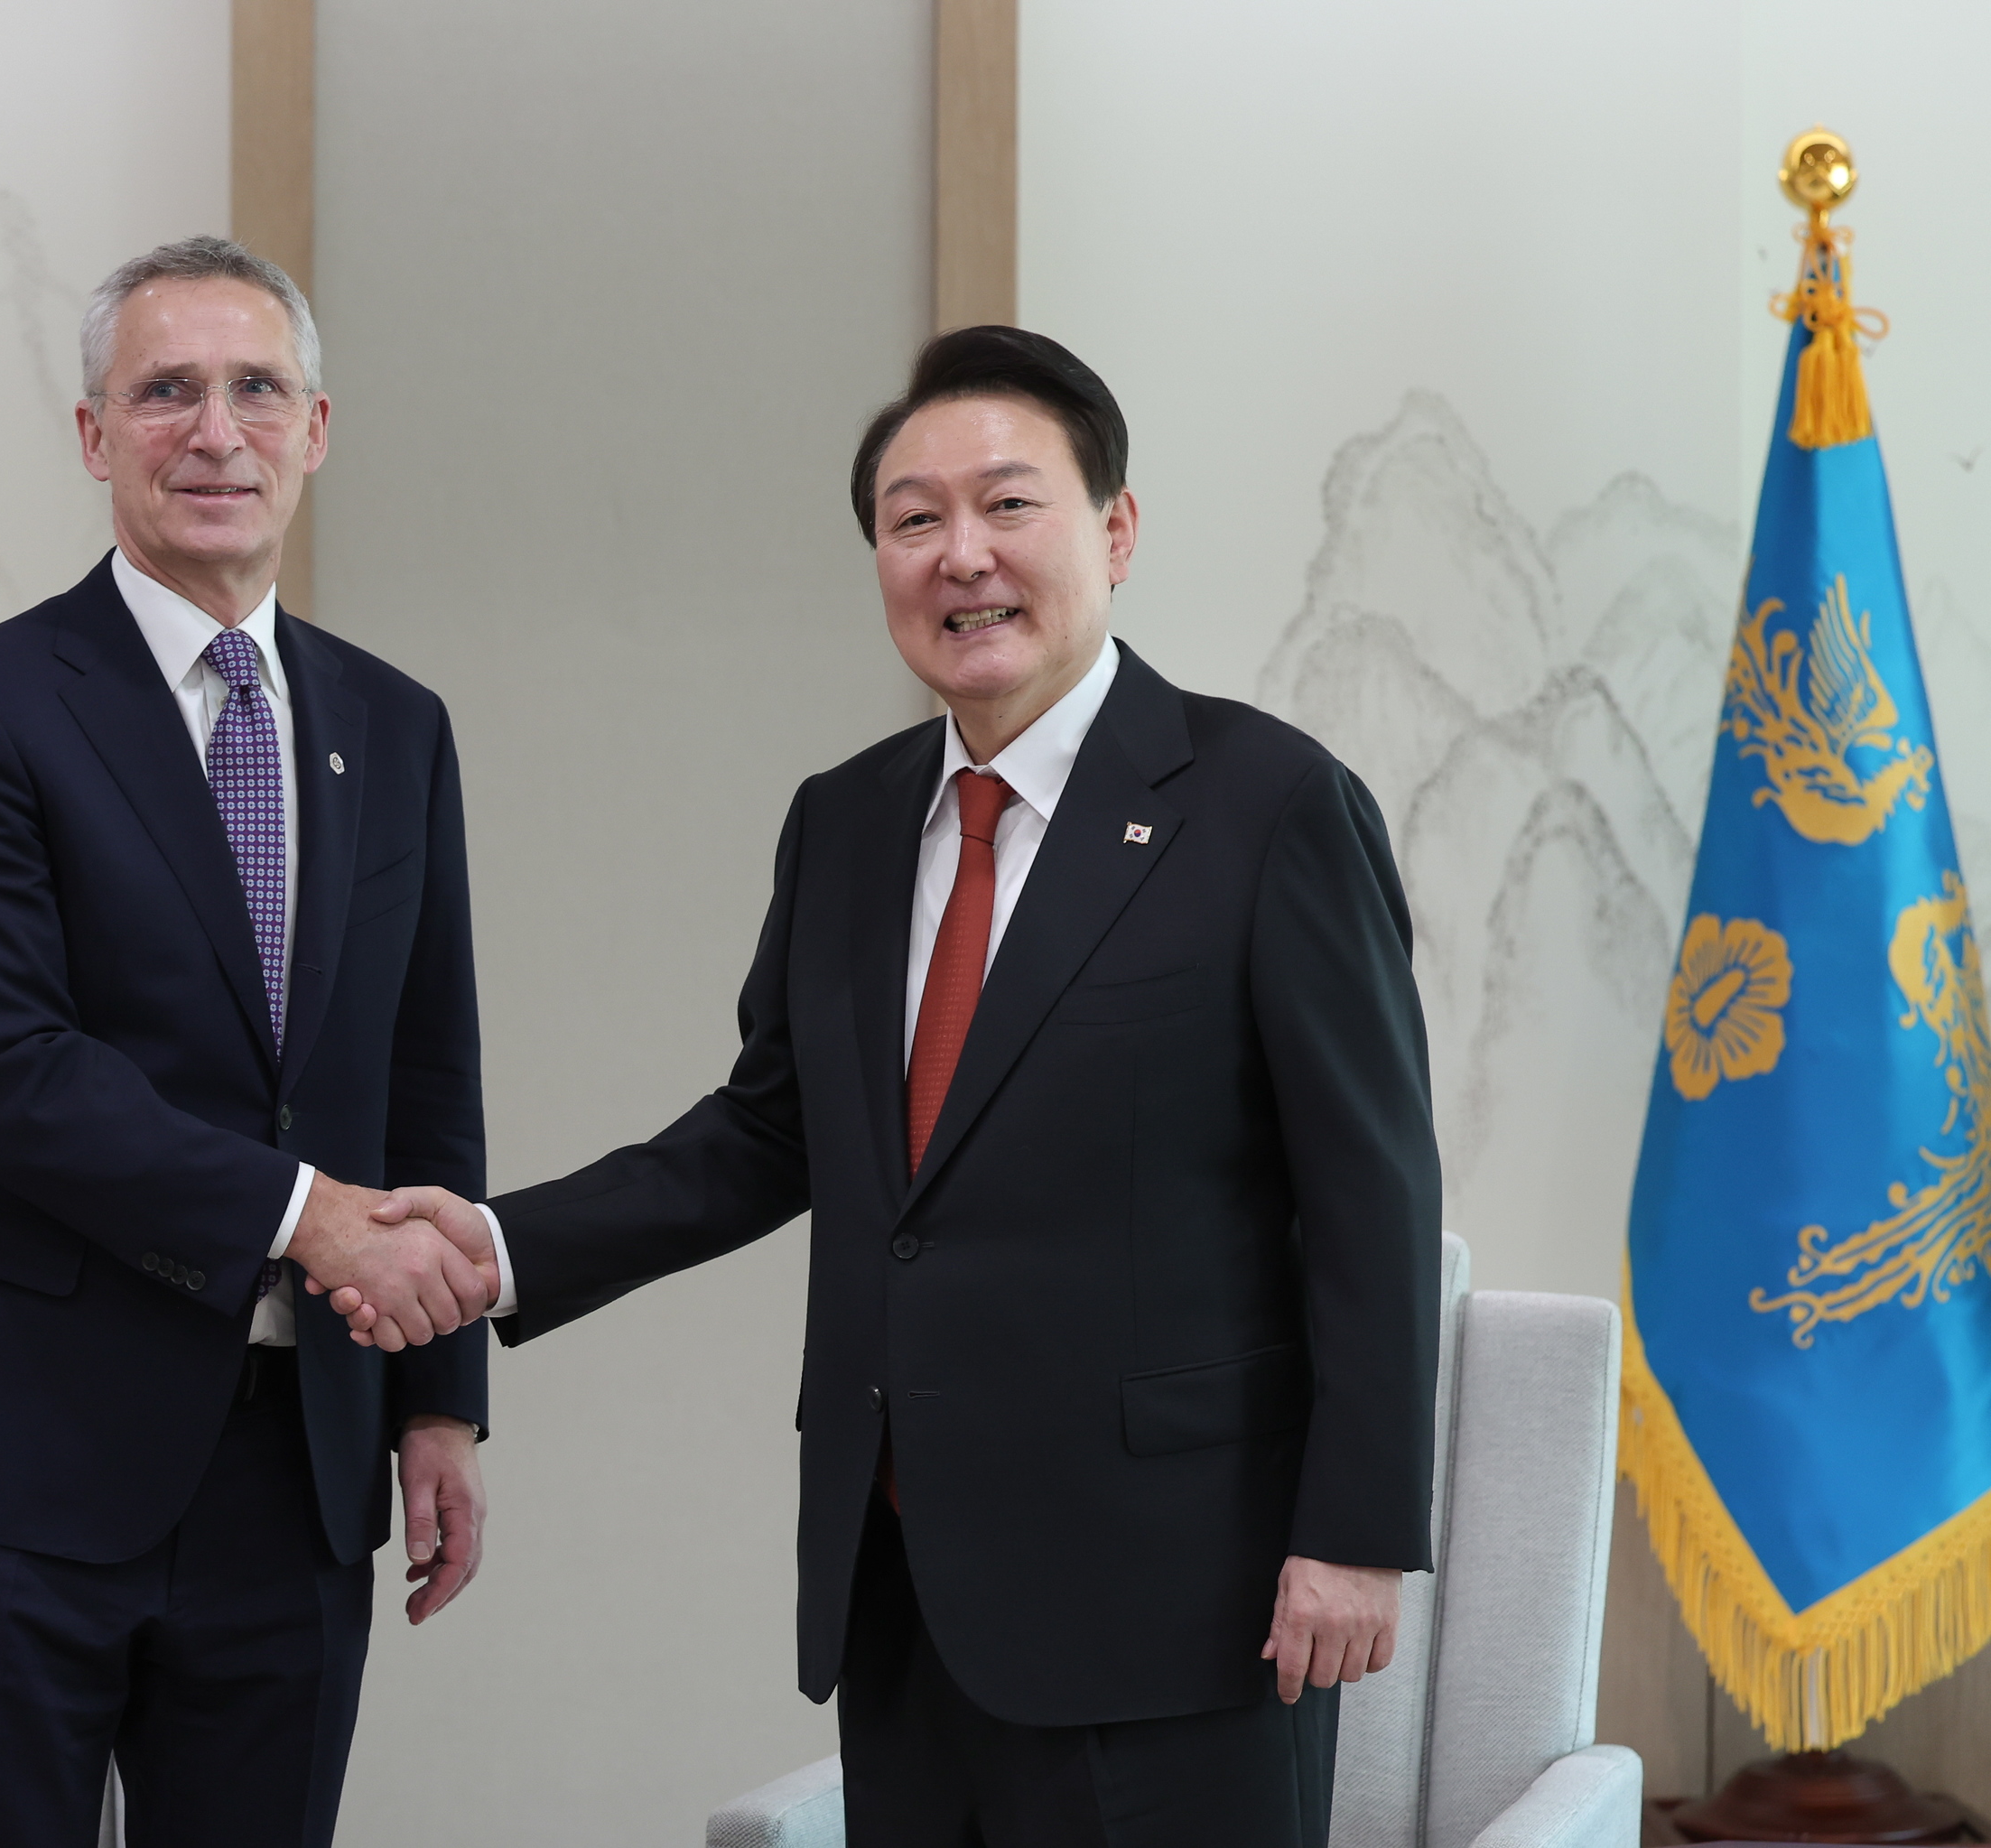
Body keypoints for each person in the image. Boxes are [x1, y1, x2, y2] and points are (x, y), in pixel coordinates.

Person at [344, 327, 1441, 1847]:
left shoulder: (1267, 809)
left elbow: (1372, 1196)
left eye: (1008, 506)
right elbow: (767, 1131)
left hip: (1179, 1596)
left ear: (1115, 531)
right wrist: (493, 1249)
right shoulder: (848, 821)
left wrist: (1357, 1535)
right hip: (903, 1581)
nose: (960, 556)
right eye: (914, 519)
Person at [0, 235, 501, 1848]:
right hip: (12, 1463)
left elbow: (426, 1080)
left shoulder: (396, 728)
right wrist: (302, 1214)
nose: (216, 431)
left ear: (316, 429)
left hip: (299, 1472)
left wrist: (439, 1399)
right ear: (93, 436)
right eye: (167, 392)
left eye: (257, 390)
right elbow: (6, 1072)